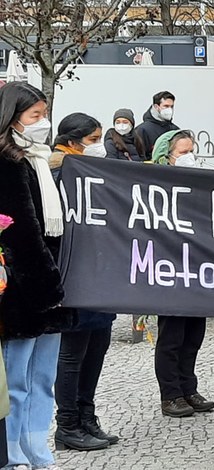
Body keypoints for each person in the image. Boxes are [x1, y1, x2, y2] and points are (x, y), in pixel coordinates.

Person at [0, 82, 74, 470]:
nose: (42, 124)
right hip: (25, 286)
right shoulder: (7, 161)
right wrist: (47, 282)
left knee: (43, 378)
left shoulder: (41, 159)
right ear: (13, 118)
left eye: (45, 115)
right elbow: (20, 230)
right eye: (35, 117)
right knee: (17, 381)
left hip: (52, 283)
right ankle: (13, 454)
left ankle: (37, 449)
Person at [50, 113, 119, 452]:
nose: (99, 147)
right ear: (74, 141)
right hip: (76, 274)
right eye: (93, 140)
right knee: (73, 353)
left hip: (101, 274)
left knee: (97, 348)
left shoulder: (95, 171)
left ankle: (87, 416)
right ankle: (67, 425)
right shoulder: (58, 172)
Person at [151, 130, 214, 417]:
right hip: (169, 272)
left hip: (195, 271)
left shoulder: (198, 183)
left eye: (192, 150)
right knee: (172, 337)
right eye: (183, 151)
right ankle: (170, 394)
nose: (189, 156)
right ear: (167, 154)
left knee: (193, 335)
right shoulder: (153, 183)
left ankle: (189, 388)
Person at [49, 113, 105, 180]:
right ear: (72, 143)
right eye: (93, 139)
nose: (98, 144)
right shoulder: (59, 170)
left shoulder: (81, 163)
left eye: (100, 139)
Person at [135, 91, 179, 160]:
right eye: (166, 106)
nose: (169, 109)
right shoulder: (142, 130)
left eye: (171, 106)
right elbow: (139, 158)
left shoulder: (175, 130)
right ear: (156, 106)